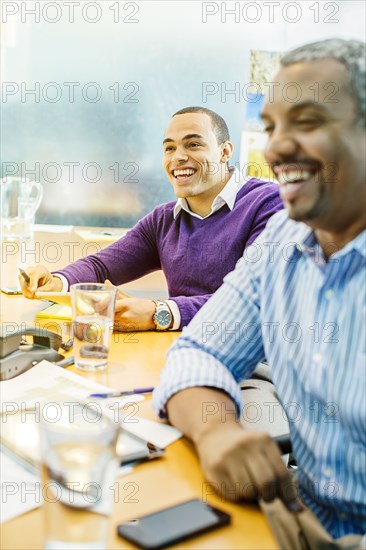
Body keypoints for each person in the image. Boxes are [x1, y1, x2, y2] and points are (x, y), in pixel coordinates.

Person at [153, 39, 366, 541]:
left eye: (309, 121)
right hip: (300, 518)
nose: (275, 148)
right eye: (272, 127)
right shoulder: (284, 240)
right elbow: (199, 349)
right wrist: (217, 430)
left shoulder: (262, 211)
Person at [20, 107, 282, 331]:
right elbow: (101, 267)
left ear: (225, 152)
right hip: (186, 351)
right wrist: (56, 281)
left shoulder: (268, 203)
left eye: (193, 144)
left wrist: (159, 313)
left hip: (255, 364)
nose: (178, 157)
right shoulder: (164, 219)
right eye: (170, 148)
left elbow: (254, 301)